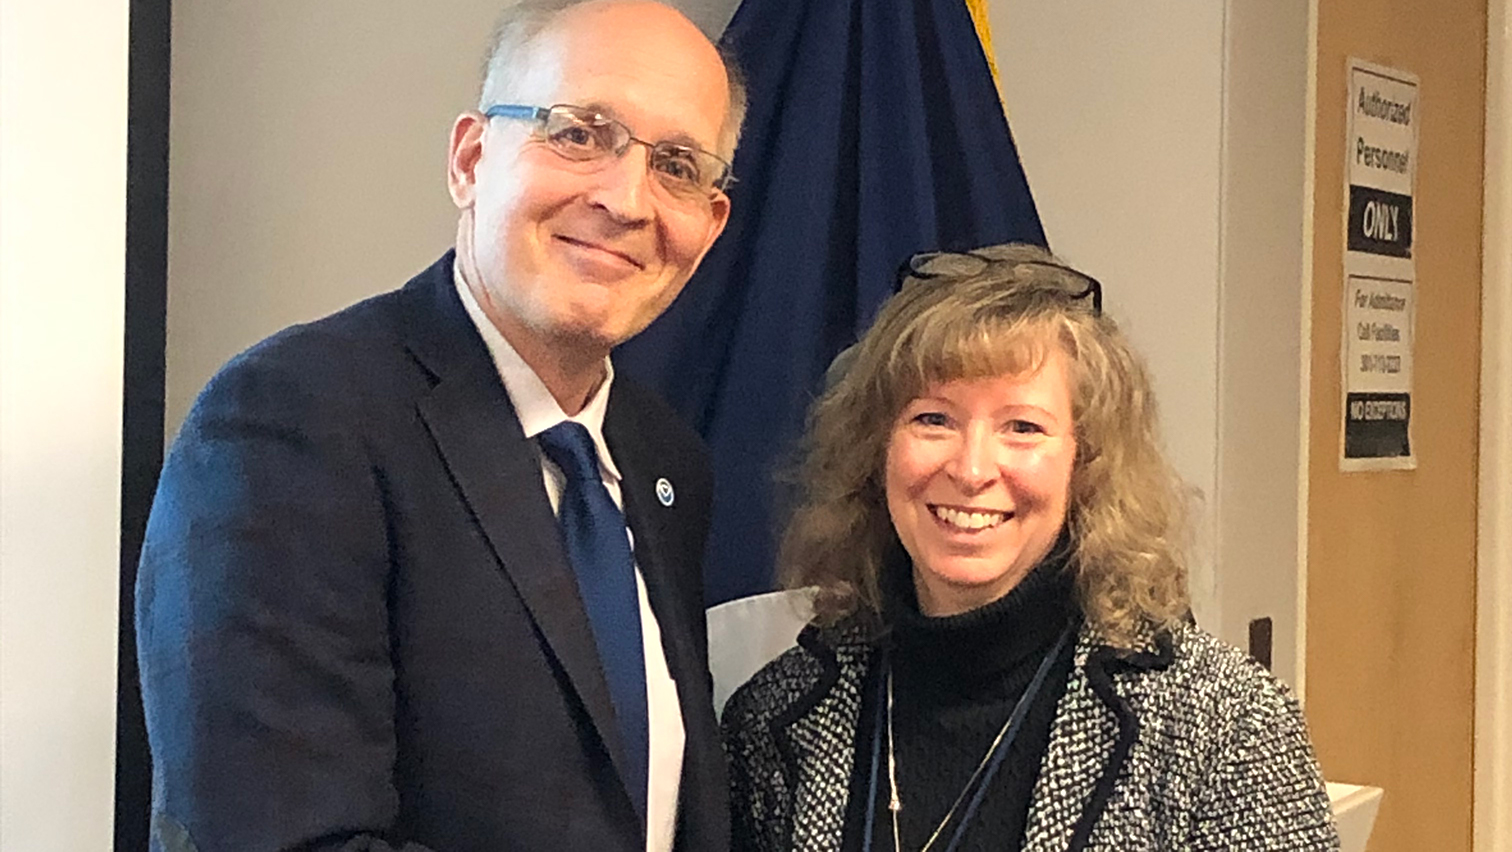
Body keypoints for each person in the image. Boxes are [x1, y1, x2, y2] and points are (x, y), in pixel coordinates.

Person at [136, 2, 744, 850]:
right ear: (470, 158)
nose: (623, 198)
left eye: (677, 164)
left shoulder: (665, 461)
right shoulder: (293, 420)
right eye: (578, 133)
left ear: (710, 224)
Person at [721, 244, 1340, 851]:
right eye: (934, 419)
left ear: (1087, 465)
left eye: (1023, 427)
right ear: (875, 449)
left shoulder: (1225, 729)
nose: (971, 469)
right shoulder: (775, 720)